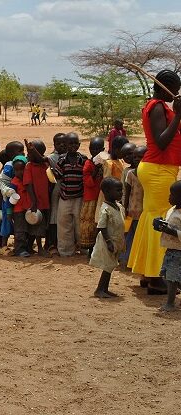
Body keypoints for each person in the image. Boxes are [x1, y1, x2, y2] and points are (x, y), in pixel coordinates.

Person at [128, 70, 181, 295]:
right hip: (158, 168)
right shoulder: (158, 106)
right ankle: (157, 278)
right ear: (164, 87)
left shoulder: (160, 106)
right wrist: (178, 115)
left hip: (159, 168)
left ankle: (147, 273)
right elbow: (161, 142)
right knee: (162, 219)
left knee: (153, 216)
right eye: (176, 88)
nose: (177, 92)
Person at [90, 177, 125, 298]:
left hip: (116, 241)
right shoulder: (105, 209)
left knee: (111, 266)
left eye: (121, 190)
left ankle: (104, 289)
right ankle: (99, 289)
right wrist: (109, 241)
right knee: (108, 266)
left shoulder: (118, 206)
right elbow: (102, 226)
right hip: (108, 241)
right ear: (107, 192)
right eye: (118, 190)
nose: (121, 192)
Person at [54, 132, 87, 257]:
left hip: (79, 197)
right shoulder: (62, 160)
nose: (73, 146)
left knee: (80, 225)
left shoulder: (83, 160)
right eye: (70, 144)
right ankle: (66, 251)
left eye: (75, 143)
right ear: (66, 145)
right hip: (65, 197)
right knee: (64, 226)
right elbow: (57, 176)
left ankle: (84, 248)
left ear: (79, 145)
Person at [154, 181, 181, 311]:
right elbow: (170, 224)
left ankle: (170, 303)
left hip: (178, 252)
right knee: (173, 276)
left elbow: (174, 230)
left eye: (172, 194)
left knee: (172, 278)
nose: (169, 197)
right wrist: (161, 224)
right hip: (171, 250)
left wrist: (170, 231)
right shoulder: (172, 210)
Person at [23, 140, 50, 256]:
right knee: (37, 227)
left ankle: (31, 246)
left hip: (44, 200)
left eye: (30, 153)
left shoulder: (45, 164)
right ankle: (39, 248)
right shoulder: (29, 166)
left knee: (42, 225)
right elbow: (28, 185)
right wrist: (34, 201)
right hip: (36, 201)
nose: (28, 155)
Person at [121, 145, 146, 268]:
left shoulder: (147, 174)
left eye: (140, 157)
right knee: (129, 237)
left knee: (138, 238)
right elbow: (127, 191)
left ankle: (136, 263)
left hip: (143, 212)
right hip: (131, 211)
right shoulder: (130, 174)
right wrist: (124, 208)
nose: (136, 159)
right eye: (135, 156)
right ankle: (126, 261)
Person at [79, 137, 105, 254]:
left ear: (103, 150)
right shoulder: (88, 164)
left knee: (99, 223)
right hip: (90, 199)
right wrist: (95, 170)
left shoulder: (105, 163)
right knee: (89, 224)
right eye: (92, 149)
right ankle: (90, 249)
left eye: (98, 149)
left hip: (101, 198)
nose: (95, 151)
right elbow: (88, 182)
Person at [46, 133, 66, 254]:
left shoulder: (71, 156)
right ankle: (51, 243)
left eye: (64, 143)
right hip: (57, 189)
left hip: (67, 189)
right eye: (59, 143)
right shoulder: (52, 157)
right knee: (54, 216)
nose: (62, 146)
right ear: (54, 145)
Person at [11, 156, 31, 257]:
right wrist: (9, 212)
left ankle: (27, 247)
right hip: (18, 210)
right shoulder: (14, 183)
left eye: (21, 169)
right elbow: (10, 200)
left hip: (28, 209)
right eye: (16, 170)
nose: (19, 172)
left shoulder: (28, 180)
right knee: (20, 230)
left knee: (28, 229)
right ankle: (19, 249)